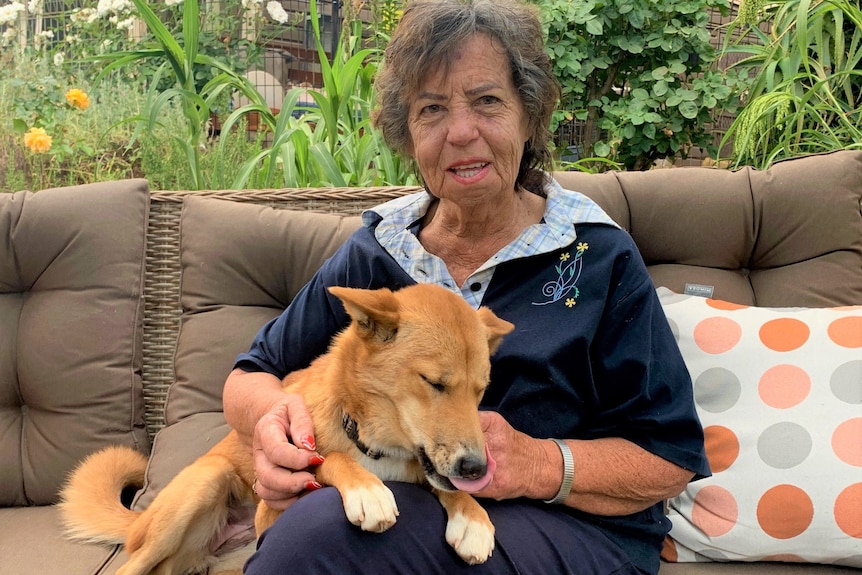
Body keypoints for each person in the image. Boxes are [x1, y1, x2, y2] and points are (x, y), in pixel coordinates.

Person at [222, 0, 710, 573]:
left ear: (528, 117)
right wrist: (283, 426)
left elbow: (668, 458)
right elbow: (249, 377)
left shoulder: (598, 256)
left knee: (315, 542)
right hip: (401, 510)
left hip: (573, 527)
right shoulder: (380, 250)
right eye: (432, 109)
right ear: (409, 135)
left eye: (487, 102)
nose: (461, 132)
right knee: (316, 533)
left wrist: (534, 463)